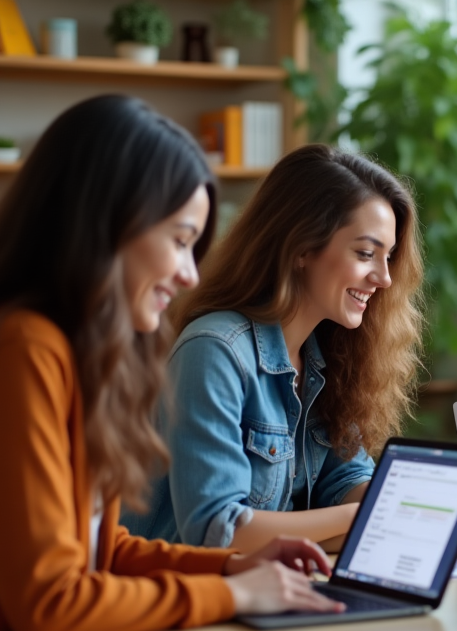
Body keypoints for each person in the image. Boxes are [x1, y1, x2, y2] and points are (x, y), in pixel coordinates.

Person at [0, 96, 343, 631]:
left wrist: (234, 565)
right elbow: (51, 599)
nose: (189, 274)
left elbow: (100, 549)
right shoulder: (18, 350)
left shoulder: (67, 351)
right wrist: (232, 594)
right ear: (107, 225)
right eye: (181, 240)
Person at [122, 145, 424, 553]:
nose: (384, 278)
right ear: (301, 248)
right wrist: (364, 517)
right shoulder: (215, 351)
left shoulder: (329, 354)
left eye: (388, 257)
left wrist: (396, 508)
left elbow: (345, 482)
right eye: (366, 253)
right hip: (181, 599)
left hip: (264, 586)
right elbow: (217, 529)